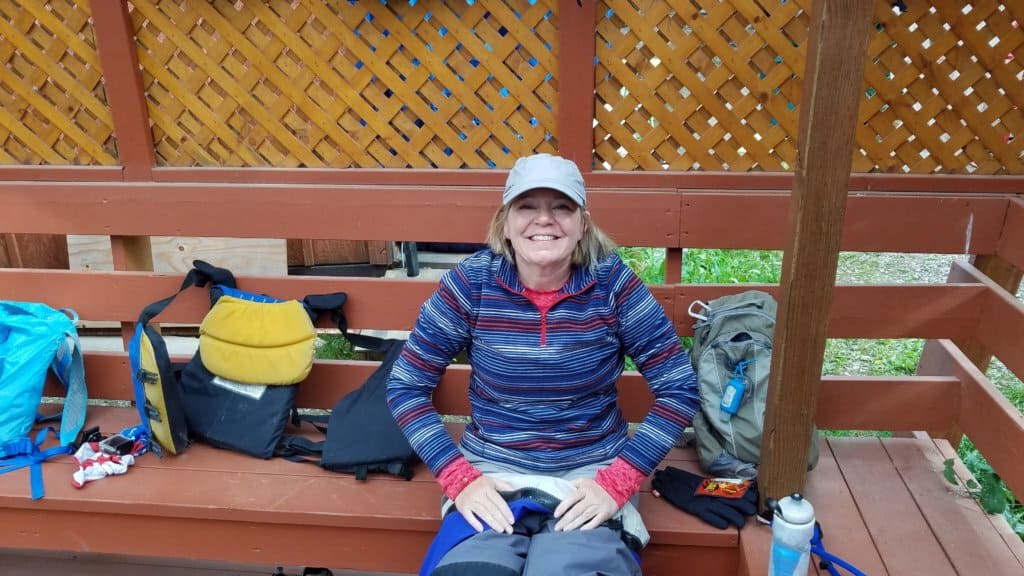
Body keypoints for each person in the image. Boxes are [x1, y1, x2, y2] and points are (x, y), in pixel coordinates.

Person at [386, 153, 701, 576]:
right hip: (493, 473)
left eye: (562, 207)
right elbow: (406, 385)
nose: (544, 220)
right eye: (527, 206)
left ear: (582, 223)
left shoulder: (613, 286)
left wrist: (618, 482)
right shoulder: (471, 284)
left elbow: (679, 388)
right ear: (505, 222)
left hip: (590, 476)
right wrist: (458, 476)